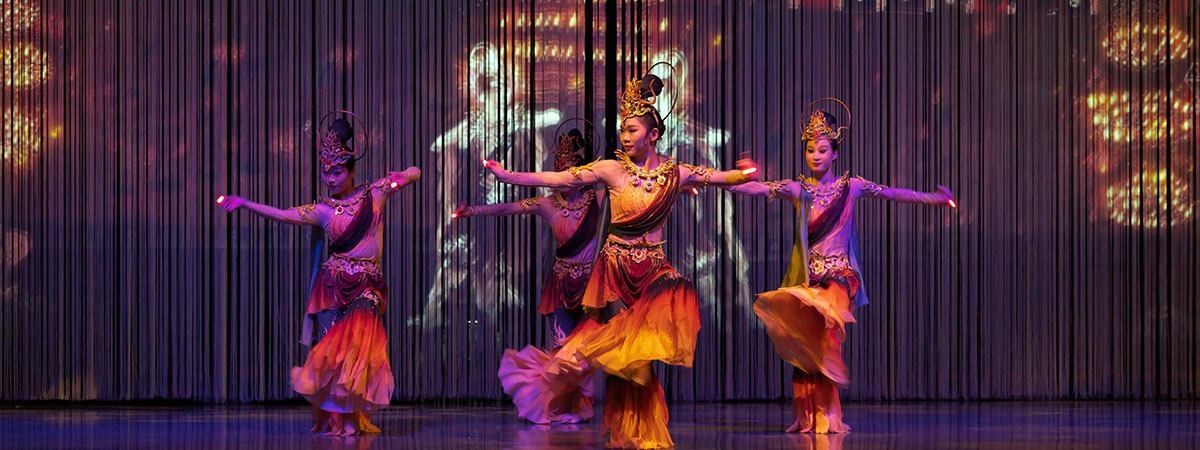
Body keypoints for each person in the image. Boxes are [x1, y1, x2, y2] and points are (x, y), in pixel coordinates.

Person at [483, 73, 758, 448]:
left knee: (642, 358)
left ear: (653, 134)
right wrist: (507, 174)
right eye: (622, 130)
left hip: (654, 273)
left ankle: (645, 431)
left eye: (631, 130)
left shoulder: (673, 173)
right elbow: (558, 176)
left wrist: (743, 173)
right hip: (614, 271)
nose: (625, 137)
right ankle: (627, 432)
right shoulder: (612, 170)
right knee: (624, 358)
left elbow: (720, 177)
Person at [725, 103, 955, 433]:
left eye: (822, 149)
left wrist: (933, 198)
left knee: (830, 334)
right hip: (812, 277)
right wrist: (735, 178)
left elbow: (892, 194)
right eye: (810, 150)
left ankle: (829, 415)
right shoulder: (798, 189)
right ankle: (813, 416)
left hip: (841, 277)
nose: (815, 156)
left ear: (835, 153)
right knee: (808, 348)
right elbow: (753, 190)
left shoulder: (852, 186)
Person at [219, 114, 421, 435]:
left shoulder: (376, 194)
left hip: (367, 284)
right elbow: (284, 215)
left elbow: (415, 172)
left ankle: (353, 416)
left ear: (352, 170)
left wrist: (406, 176)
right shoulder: (323, 209)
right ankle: (340, 422)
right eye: (326, 172)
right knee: (331, 357)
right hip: (331, 286)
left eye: (337, 171)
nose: (331, 178)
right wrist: (245, 203)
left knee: (356, 345)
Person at [454, 126, 605, 424]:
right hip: (562, 284)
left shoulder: (600, 200)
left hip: (591, 286)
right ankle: (564, 408)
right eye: (558, 168)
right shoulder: (547, 204)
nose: (562, 176)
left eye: (569, 169)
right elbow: (507, 208)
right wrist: (471, 211)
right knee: (561, 352)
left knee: (586, 351)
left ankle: (581, 405)